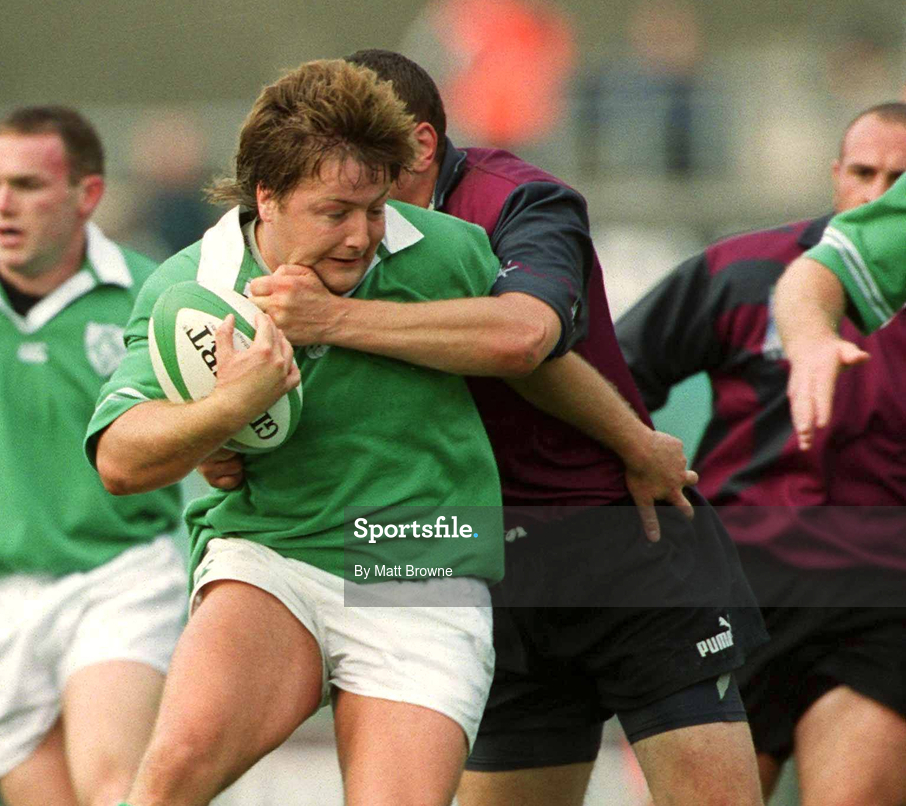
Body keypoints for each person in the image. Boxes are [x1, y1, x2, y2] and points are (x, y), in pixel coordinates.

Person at [234, 49, 767, 806]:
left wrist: (634, 444)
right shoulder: (319, 235)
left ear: (419, 144)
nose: (357, 211)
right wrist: (231, 441)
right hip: (465, 563)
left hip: (616, 541)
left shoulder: (518, 203)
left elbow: (525, 342)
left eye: (369, 167)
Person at [86, 59, 515, 806]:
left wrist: (637, 443)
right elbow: (119, 460)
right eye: (334, 212)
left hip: (419, 566)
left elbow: (532, 345)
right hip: (273, 557)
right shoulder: (193, 289)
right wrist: (227, 411)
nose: (360, 236)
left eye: (375, 209)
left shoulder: (448, 253)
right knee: (166, 779)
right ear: (267, 197)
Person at [0, 107, 188, 806]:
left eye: (26, 184)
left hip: (118, 578)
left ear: (87, 196)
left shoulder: (154, 295)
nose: (2, 202)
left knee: (113, 786)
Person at [617, 102, 906, 806]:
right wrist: (638, 466)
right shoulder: (745, 269)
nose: (878, 194)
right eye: (864, 172)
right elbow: (613, 374)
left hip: (880, 599)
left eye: (900, 180)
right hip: (733, 587)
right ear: (835, 174)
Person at [775, 171, 906, 448]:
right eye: (863, 173)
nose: (876, 194)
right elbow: (817, 274)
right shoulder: (741, 264)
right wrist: (812, 341)